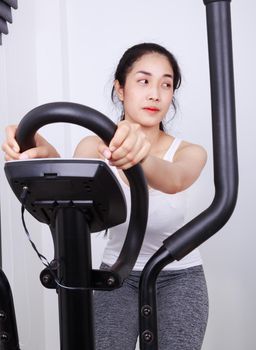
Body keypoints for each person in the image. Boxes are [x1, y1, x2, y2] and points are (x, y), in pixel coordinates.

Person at [2, 43, 209, 350]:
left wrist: (139, 157)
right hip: (115, 276)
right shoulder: (92, 146)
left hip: (179, 278)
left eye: (166, 84)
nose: (155, 93)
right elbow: (76, 193)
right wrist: (42, 151)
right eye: (144, 81)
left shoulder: (191, 152)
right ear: (120, 89)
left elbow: (175, 179)